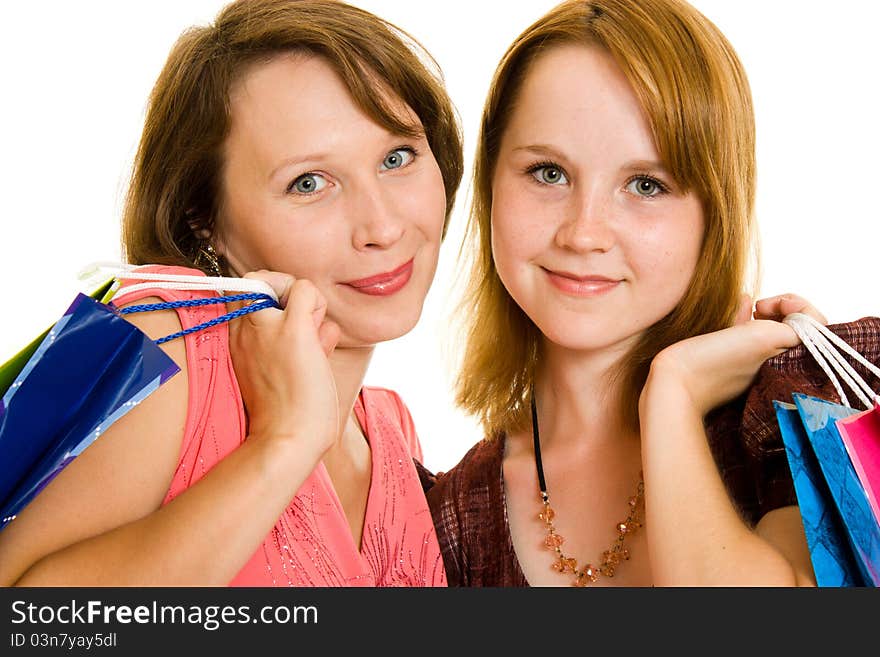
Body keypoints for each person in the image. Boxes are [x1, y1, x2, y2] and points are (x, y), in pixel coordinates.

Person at [0, 0, 462, 586]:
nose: (384, 227)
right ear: (204, 222)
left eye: (397, 158)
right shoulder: (168, 342)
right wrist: (283, 443)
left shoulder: (391, 428)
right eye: (309, 183)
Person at [426, 0, 828, 586]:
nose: (584, 233)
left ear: (714, 213)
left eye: (646, 184)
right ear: (490, 186)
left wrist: (674, 392)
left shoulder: (801, 408)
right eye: (548, 172)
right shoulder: (453, 518)